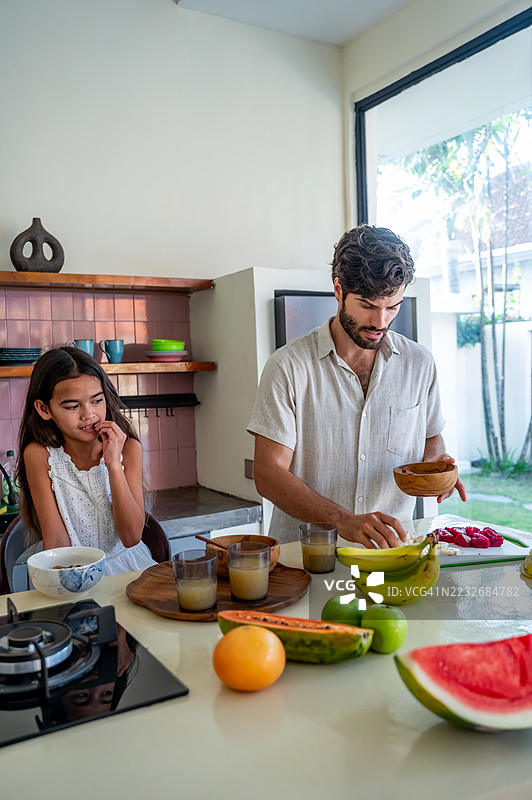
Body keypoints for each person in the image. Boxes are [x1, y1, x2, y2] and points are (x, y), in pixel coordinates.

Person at [248, 224, 466, 547]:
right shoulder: (288, 367)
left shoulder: (420, 364)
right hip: (306, 563)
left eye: (393, 307)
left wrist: (439, 471)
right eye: (367, 305)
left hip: (391, 558)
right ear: (339, 289)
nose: (381, 322)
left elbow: (431, 442)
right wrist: (342, 521)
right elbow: (267, 474)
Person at [17, 346, 156, 574]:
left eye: (97, 401)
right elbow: (57, 541)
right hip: (71, 570)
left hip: (129, 570)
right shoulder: (39, 455)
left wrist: (112, 464)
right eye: (72, 406)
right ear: (44, 409)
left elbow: (131, 537)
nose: (88, 414)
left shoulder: (129, 448)